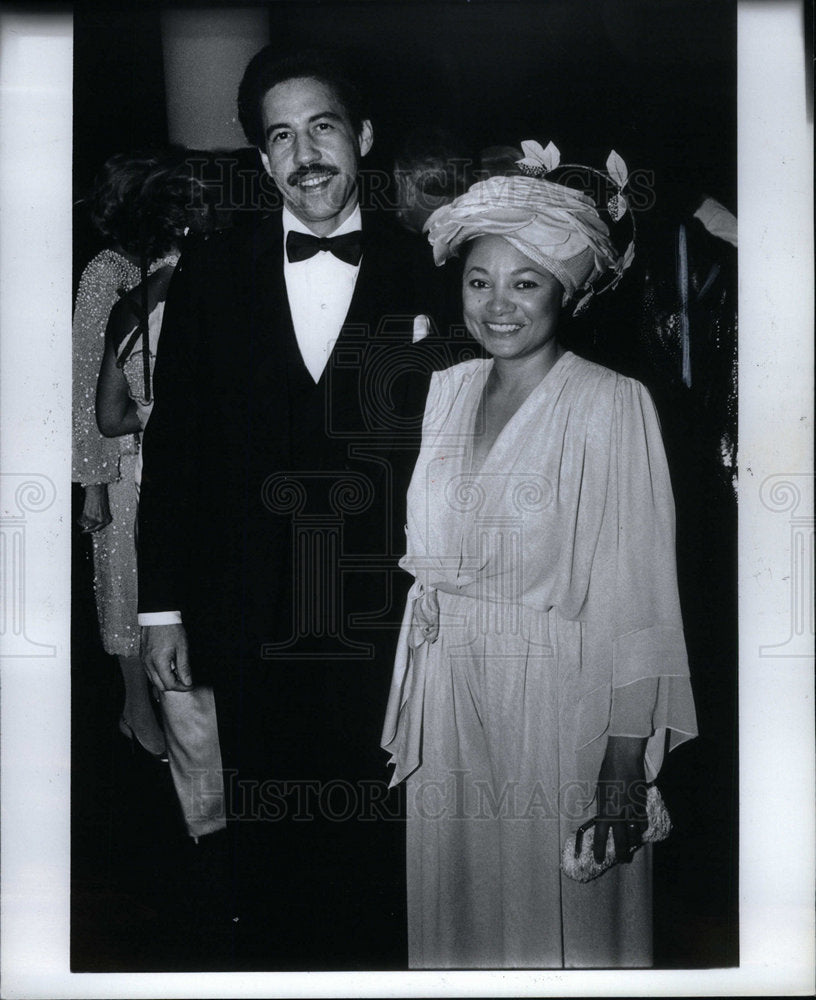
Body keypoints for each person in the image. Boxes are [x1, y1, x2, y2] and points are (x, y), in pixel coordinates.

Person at [136, 48, 462, 967]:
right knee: (266, 823)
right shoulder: (209, 270)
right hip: (246, 605)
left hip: (387, 606)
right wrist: (160, 603)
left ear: (362, 136)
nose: (305, 153)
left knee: (381, 822)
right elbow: (176, 447)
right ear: (263, 159)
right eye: (280, 136)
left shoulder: (431, 270)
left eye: (322, 126)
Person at [381, 144, 699, 968]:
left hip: (558, 697)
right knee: (460, 920)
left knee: (559, 924)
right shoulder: (445, 389)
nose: (498, 305)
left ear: (568, 291)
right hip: (449, 689)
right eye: (479, 280)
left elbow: (641, 594)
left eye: (526, 283)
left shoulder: (611, 402)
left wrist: (627, 752)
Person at [95, 156, 226, 843]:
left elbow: (111, 418)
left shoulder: (131, 308)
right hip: (220, 482)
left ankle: (204, 819)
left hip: (157, 485)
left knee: (174, 663)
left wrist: (153, 411)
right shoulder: (226, 292)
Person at [72, 151, 179, 759]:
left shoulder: (185, 266)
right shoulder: (105, 273)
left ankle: (172, 701)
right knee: (124, 584)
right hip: (119, 456)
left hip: (170, 451)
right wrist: (91, 479)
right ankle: (137, 710)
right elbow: (87, 379)